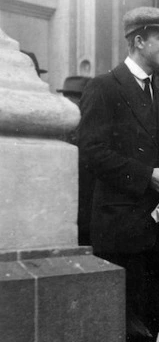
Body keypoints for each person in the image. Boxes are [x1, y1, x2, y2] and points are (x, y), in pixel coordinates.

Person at [78, 7, 159, 342]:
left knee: (147, 311)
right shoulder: (105, 87)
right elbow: (91, 152)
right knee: (121, 318)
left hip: (149, 225)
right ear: (138, 40)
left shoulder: (155, 90)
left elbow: (155, 151)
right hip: (119, 227)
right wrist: (147, 175)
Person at [57, 75, 94, 245]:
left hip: (86, 199)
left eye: (75, 97)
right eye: (67, 97)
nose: (70, 102)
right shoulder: (60, 126)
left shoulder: (91, 127)